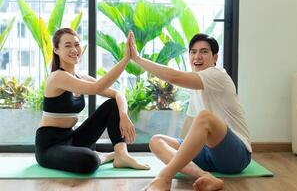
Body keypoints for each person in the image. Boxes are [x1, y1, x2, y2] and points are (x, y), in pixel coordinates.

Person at [128, 32, 252, 190]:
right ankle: (205, 176)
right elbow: (190, 125)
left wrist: (138, 59)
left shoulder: (217, 75)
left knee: (205, 117)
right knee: (157, 141)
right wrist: (181, 153)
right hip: (209, 154)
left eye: (204, 52)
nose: (197, 56)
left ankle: (165, 178)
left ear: (215, 58)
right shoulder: (196, 85)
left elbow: (174, 77)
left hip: (236, 155)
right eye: (193, 52)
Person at [35, 28, 150, 174]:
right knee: (89, 161)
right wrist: (126, 59)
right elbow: (97, 87)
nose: (74, 49)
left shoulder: (79, 76)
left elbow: (117, 93)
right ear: (56, 50)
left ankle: (122, 154)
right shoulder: (57, 77)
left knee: (113, 104)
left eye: (76, 44)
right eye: (67, 45)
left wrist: (124, 115)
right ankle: (105, 156)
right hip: (50, 145)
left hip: (72, 137)